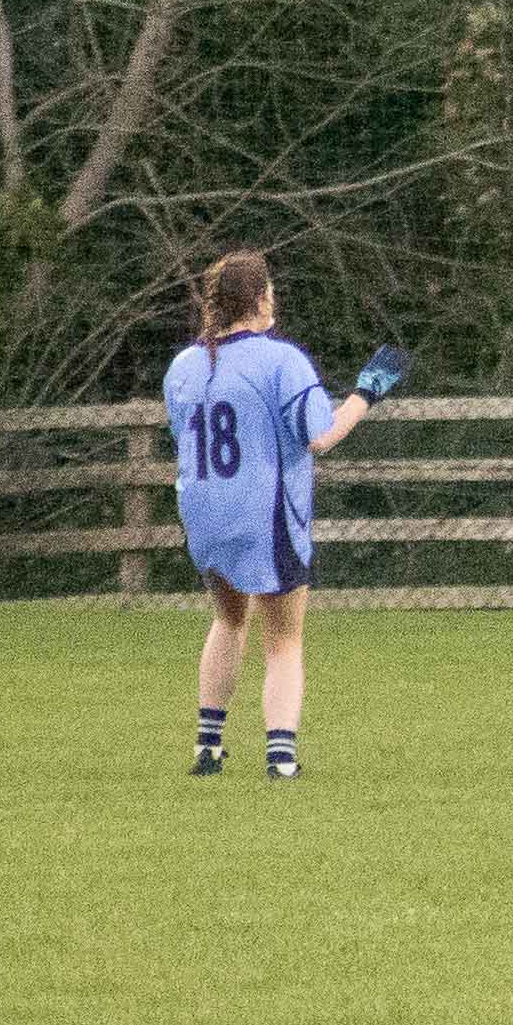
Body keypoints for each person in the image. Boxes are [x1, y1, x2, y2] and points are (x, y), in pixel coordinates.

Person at [162, 251, 407, 778]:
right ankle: (281, 756)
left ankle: (208, 747)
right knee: (283, 636)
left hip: (205, 516)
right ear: (257, 300)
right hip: (263, 516)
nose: (275, 299)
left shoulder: (183, 367)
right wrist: (368, 391)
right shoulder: (281, 360)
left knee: (228, 619)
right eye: (270, 290)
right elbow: (320, 436)